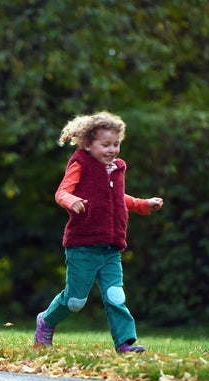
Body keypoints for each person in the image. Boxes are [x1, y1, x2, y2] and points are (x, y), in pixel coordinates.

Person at [34, 111, 163, 354]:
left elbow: (117, 199)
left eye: (116, 144)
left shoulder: (117, 169)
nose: (112, 150)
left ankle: (124, 344)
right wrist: (71, 201)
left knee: (116, 296)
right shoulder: (80, 163)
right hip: (82, 245)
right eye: (105, 145)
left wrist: (143, 204)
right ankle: (46, 321)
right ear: (88, 144)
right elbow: (62, 192)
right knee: (75, 301)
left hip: (111, 248)